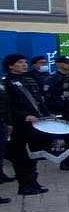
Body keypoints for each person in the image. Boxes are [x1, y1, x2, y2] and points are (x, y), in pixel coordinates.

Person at [4, 54, 46, 196]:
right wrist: (24, 116)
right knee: (20, 156)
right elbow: (8, 105)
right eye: (20, 62)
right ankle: (24, 185)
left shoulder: (28, 79)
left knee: (34, 154)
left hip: (35, 122)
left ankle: (33, 182)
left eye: (25, 62)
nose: (24, 64)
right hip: (19, 124)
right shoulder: (6, 82)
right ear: (10, 65)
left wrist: (46, 113)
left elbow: (38, 100)